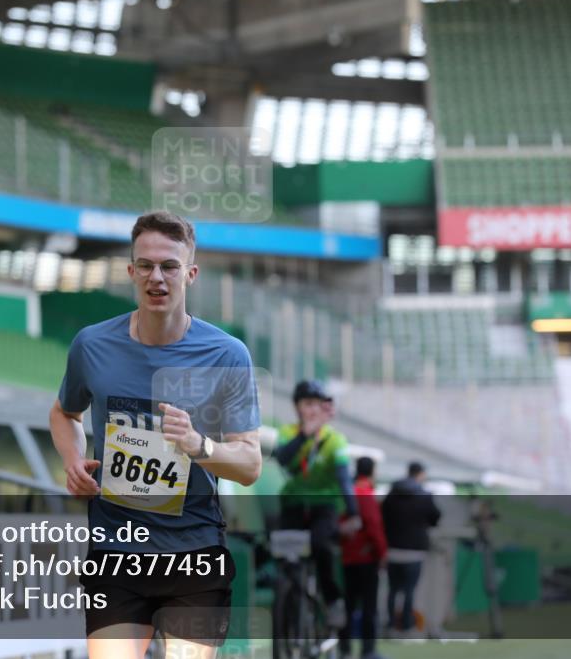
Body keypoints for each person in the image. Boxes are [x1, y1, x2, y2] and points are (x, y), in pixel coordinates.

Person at [49, 210, 262, 659]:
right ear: (131, 271)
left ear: (190, 274)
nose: (156, 277)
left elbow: (249, 464)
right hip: (116, 551)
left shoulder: (227, 354)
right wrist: (73, 460)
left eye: (169, 266)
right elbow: (64, 413)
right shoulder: (92, 345)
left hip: (194, 551)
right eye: (145, 265)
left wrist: (198, 445)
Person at [274, 379, 359, 628]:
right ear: (297, 407)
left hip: (324, 508)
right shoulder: (288, 432)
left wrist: (353, 513)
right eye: (306, 403)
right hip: (293, 505)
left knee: (322, 548)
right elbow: (283, 459)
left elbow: (344, 479)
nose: (311, 409)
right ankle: (290, 609)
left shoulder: (335, 439)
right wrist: (304, 434)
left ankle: (333, 601)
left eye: (316, 404)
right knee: (285, 558)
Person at [380, 461, 441, 636]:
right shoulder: (424, 496)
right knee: (409, 590)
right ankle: (406, 627)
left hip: (392, 549)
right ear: (420, 474)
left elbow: (382, 516)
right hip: (415, 551)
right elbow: (435, 518)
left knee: (393, 590)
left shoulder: (391, 495)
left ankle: (391, 626)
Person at [339, 456, 388, 659]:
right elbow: (374, 526)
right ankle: (368, 650)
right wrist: (382, 553)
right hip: (366, 559)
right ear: (372, 471)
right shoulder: (365, 494)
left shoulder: (347, 492)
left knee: (348, 606)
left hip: (347, 558)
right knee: (369, 607)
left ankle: (344, 650)